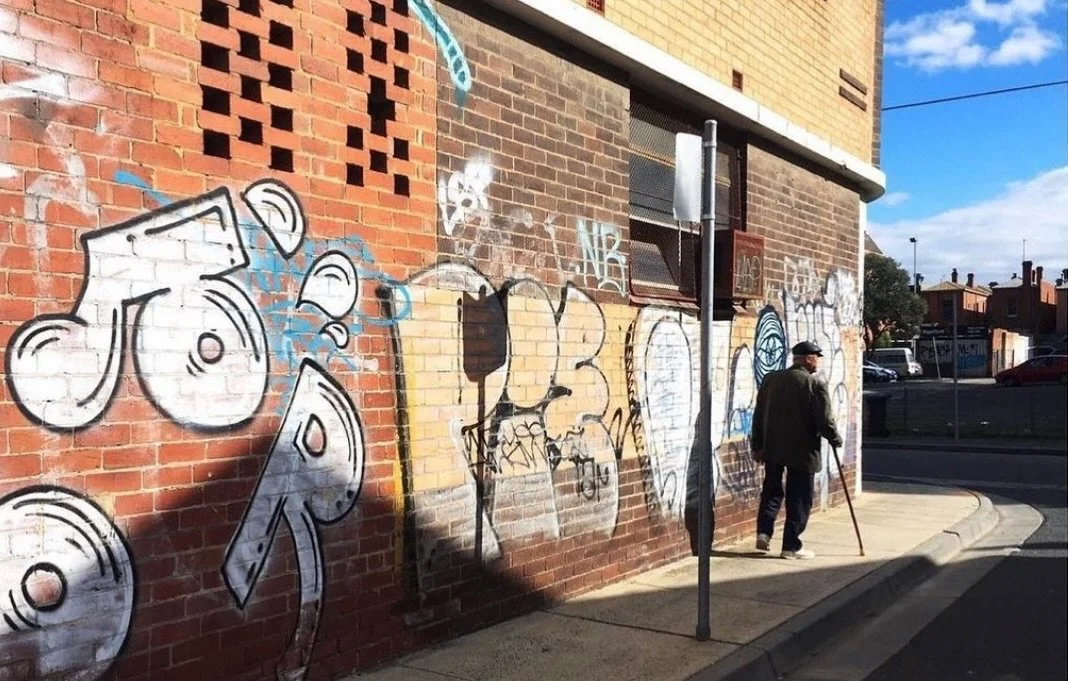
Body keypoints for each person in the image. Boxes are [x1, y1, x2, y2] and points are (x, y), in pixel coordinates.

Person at [750, 341, 843, 559]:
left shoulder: (771, 380)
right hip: (803, 451)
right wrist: (835, 438)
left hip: (772, 447)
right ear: (808, 358)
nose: (818, 361)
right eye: (816, 357)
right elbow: (825, 420)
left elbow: (758, 414)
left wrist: (757, 445)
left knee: (771, 491)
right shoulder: (814, 384)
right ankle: (790, 546)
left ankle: (764, 532)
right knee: (799, 498)